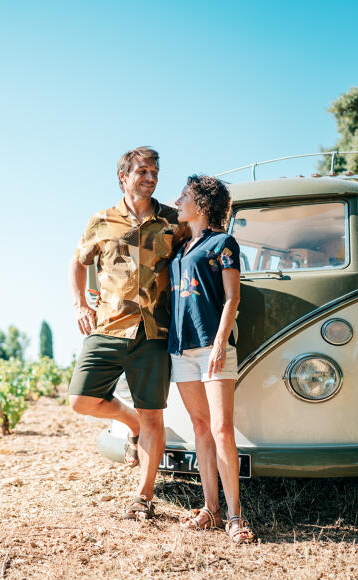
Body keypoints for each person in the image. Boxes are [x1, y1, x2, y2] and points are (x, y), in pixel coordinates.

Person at [68, 146, 187, 519]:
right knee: (80, 400)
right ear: (124, 176)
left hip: (154, 330)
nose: (151, 179)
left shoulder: (173, 221)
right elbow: (77, 261)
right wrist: (80, 304)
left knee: (154, 415)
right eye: (143, 172)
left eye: (155, 172)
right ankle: (128, 422)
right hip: (108, 325)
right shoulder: (101, 220)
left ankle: (143, 497)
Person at [168, 174, 255, 543]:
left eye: (184, 196)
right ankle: (211, 510)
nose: (177, 201)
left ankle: (235, 516)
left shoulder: (224, 243)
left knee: (221, 428)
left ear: (202, 204)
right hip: (182, 350)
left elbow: (232, 298)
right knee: (200, 428)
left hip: (214, 347)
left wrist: (220, 342)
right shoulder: (179, 251)